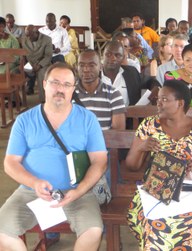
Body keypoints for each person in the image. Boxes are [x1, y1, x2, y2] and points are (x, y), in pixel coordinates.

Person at [0, 63, 108, 251]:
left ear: (73, 88)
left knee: (93, 231)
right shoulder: (25, 120)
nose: (60, 89)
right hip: (31, 192)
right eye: (55, 82)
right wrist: (34, 182)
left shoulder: (87, 119)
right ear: (44, 84)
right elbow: (10, 163)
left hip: (77, 193)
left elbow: (100, 161)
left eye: (67, 84)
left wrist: (80, 190)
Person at [125, 80, 192, 250]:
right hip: (155, 190)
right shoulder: (149, 125)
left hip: (190, 191)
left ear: (180, 103)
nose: (158, 103)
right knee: (153, 228)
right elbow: (131, 165)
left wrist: (187, 174)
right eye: (158, 99)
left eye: (165, 99)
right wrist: (142, 147)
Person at [75, 49, 126, 130]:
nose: (86, 69)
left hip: (105, 142)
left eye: (91, 65)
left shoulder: (113, 95)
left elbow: (118, 134)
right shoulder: (69, 93)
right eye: (81, 65)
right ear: (76, 67)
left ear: (100, 67)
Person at [101, 41, 158, 108]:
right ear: (102, 56)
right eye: (108, 54)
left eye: (117, 55)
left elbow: (151, 81)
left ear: (122, 58)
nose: (113, 58)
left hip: (128, 117)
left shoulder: (131, 73)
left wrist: (155, 88)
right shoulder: (95, 76)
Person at [21, 25, 53, 100]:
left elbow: (48, 56)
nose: (28, 38)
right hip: (29, 64)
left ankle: (44, 101)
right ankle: (15, 100)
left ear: (36, 33)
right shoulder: (24, 39)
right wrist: (25, 64)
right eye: (27, 36)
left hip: (43, 64)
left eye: (30, 36)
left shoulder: (47, 39)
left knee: (42, 73)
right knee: (14, 71)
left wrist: (39, 65)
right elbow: (23, 54)